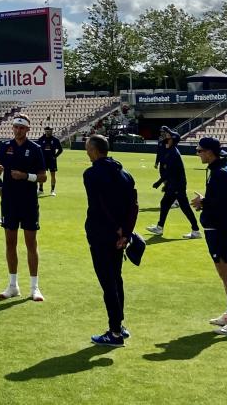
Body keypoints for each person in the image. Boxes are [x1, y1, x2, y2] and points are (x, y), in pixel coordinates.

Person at [190, 137, 227, 336]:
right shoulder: (218, 168)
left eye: (199, 151)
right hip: (215, 228)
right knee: (224, 275)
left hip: (220, 229)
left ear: (209, 152)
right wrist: (206, 201)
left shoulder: (221, 173)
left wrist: (203, 203)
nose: (197, 154)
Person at [83, 135, 138, 346]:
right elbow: (133, 206)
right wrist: (126, 233)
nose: (87, 152)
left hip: (102, 234)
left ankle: (114, 332)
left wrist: (116, 229)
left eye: (88, 148)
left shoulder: (91, 174)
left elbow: (99, 205)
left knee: (108, 284)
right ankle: (119, 326)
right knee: (116, 279)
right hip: (120, 236)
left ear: (95, 150)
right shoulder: (125, 174)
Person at [0, 115, 48, 301]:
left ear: (28, 130)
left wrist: (25, 176)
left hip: (29, 201)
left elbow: (43, 177)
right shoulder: (5, 147)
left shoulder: (35, 149)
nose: (18, 130)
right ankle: (12, 285)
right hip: (9, 201)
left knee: (31, 243)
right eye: (15, 127)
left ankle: (34, 287)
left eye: (21, 128)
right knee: (10, 242)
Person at [146, 130, 200, 239]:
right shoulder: (170, 150)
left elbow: (169, 171)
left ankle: (196, 230)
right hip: (174, 184)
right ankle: (160, 227)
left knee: (184, 207)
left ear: (173, 140)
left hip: (177, 184)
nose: (166, 137)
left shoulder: (173, 153)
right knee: (165, 203)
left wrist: (159, 182)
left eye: (169, 136)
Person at [39, 126, 63, 196]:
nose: (49, 132)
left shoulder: (55, 140)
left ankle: (52, 190)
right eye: (48, 130)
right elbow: (38, 149)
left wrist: (55, 156)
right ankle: (40, 189)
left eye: (50, 130)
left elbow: (60, 149)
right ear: (45, 131)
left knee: (53, 175)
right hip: (43, 160)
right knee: (41, 174)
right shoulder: (41, 139)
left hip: (52, 160)